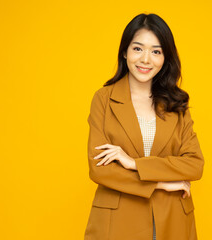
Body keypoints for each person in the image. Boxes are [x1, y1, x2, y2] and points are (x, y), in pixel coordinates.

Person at [84, 13, 204, 240]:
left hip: (172, 221)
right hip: (118, 222)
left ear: (165, 58)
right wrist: (161, 183)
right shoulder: (103, 99)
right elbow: (99, 169)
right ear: (125, 51)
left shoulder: (176, 103)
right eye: (138, 48)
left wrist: (133, 163)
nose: (146, 59)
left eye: (156, 51)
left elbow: (194, 165)